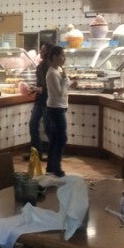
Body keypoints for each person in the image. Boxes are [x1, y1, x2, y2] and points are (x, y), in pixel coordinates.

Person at [45, 45, 76, 178]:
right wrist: (64, 80)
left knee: (55, 139)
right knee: (62, 138)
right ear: (54, 57)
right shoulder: (52, 73)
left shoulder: (59, 69)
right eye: (62, 56)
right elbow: (59, 93)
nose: (64, 58)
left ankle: (50, 168)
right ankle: (56, 168)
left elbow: (65, 86)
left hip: (60, 107)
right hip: (55, 108)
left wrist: (69, 81)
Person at [27, 42, 53, 160]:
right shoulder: (52, 65)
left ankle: (38, 153)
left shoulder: (43, 66)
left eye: (43, 51)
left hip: (45, 100)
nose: (40, 53)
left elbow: (44, 88)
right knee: (45, 127)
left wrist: (34, 89)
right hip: (47, 99)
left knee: (36, 125)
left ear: (48, 52)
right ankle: (38, 153)